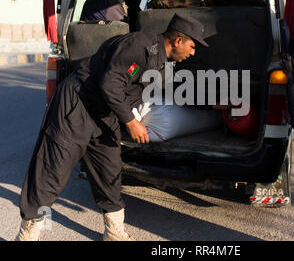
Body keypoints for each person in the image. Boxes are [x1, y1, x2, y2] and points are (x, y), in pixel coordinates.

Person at [16, 13, 209, 241]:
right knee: (52, 169)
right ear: (177, 40)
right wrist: (131, 121)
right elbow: (111, 84)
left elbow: (172, 90)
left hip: (105, 113)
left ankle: (113, 232)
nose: (193, 52)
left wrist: (211, 102)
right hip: (78, 105)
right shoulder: (139, 46)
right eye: (192, 46)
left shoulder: (162, 63)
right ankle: (29, 233)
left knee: (109, 170)